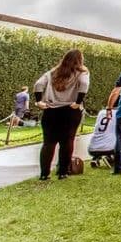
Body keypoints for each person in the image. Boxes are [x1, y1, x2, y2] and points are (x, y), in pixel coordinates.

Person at [33, 49, 90, 180]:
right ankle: (63, 172)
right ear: (79, 60)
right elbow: (85, 84)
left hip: (51, 110)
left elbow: (38, 84)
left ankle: (44, 173)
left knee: (48, 143)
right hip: (70, 110)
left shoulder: (53, 72)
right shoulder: (81, 72)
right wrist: (78, 101)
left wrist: (38, 101)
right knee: (67, 141)